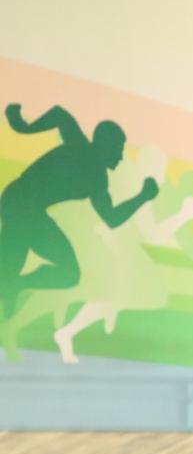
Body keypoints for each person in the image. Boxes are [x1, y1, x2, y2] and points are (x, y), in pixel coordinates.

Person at [0, 104, 157, 319]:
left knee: (67, 273)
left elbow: (111, 218)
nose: (121, 157)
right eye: (119, 149)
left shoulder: (98, 181)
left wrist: (142, 197)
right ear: (106, 145)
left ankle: (14, 284)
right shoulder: (79, 145)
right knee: (47, 270)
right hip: (20, 205)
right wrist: (22, 127)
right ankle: (12, 284)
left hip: (27, 211)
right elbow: (59, 114)